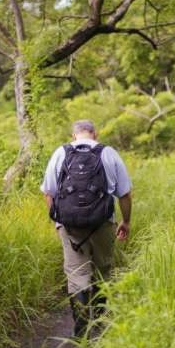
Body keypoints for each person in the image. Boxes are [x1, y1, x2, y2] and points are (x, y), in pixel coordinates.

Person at [40, 119, 132, 336]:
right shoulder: (109, 153)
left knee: (76, 273)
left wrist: (58, 220)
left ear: (73, 136)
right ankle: (99, 324)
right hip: (103, 222)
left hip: (70, 224)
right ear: (95, 134)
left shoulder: (60, 153)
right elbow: (125, 194)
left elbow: (48, 193)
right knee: (103, 269)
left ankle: (81, 330)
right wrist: (126, 221)